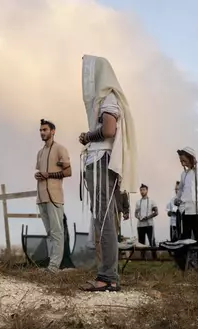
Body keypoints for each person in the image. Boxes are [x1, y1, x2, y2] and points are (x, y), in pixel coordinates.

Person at [79, 55, 138, 292]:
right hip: (99, 161)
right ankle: (107, 275)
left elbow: (109, 130)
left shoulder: (109, 97)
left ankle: (108, 277)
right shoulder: (103, 99)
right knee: (102, 219)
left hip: (103, 161)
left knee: (104, 220)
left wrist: (87, 136)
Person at [35, 118, 72, 272]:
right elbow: (41, 172)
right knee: (50, 233)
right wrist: (39, 175)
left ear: (53, 131)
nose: (42, 132)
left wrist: (47, 175)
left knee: (57, 233)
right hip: (41, 197)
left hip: (55, 197)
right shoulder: (40, 152)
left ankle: (54, 267)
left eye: (45, 130)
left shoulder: (60, 149)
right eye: (41, 130)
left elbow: (68, 172)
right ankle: (52, 264)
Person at [135, 184, 158, 259]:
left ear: (147, 190)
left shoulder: (151, 201)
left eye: (144, 190)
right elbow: (135, 213)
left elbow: (156, 212)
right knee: (141, 243)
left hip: (149, 224)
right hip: (140, 225)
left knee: (152, 241)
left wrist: (148, 217)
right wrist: (139, 217)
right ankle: (142, 258)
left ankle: (154, 258)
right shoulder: (138, 202)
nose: (142, 191)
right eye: (141, 190)